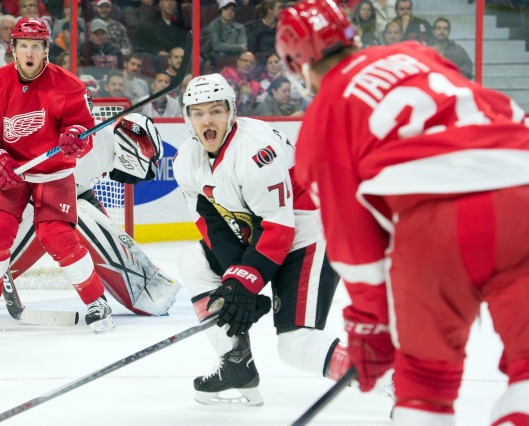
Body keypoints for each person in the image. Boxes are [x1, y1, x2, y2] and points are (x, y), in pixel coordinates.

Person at [275, 0, 529, 424]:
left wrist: (370, 326)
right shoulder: (414, 52)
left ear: (294, 63)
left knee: (424, 382)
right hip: (522, 189)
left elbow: (355, 246)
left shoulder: (322, 121)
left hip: (436, 224)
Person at [0, 17, 160, 334]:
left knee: (57, 235)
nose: (29, 52)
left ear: (45, 51)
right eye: (23, 45)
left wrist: (74, 139)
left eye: (36, 47)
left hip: (53, 171)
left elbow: (83, 132)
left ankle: (96, 301)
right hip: (8, 169)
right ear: (13, 49)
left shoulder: (68, 85)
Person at [173, 73, 349, 406]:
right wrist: (236, 281)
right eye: (197, 112)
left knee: (296, 345)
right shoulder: (187, 161)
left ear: (232, 112)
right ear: (187, 118)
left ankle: (393, 378)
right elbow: (214, 225)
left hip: (309, 229)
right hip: (262, 232)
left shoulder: (255, 152)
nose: (207, 120)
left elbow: (281, 230)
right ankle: (236, 362)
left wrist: (247, 283)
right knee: (192, 261)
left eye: (216, 110)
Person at [203, 0, 247, 66]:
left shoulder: (240, 27)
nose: (229, 12)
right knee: (221, 55)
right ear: (221, 10)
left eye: (232, 10)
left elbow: (244, 48)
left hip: (236, 56)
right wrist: (238, 47)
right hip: (218, 57)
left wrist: (225, 47)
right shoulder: (213, 25)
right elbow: (216, 46)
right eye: (226, 9)